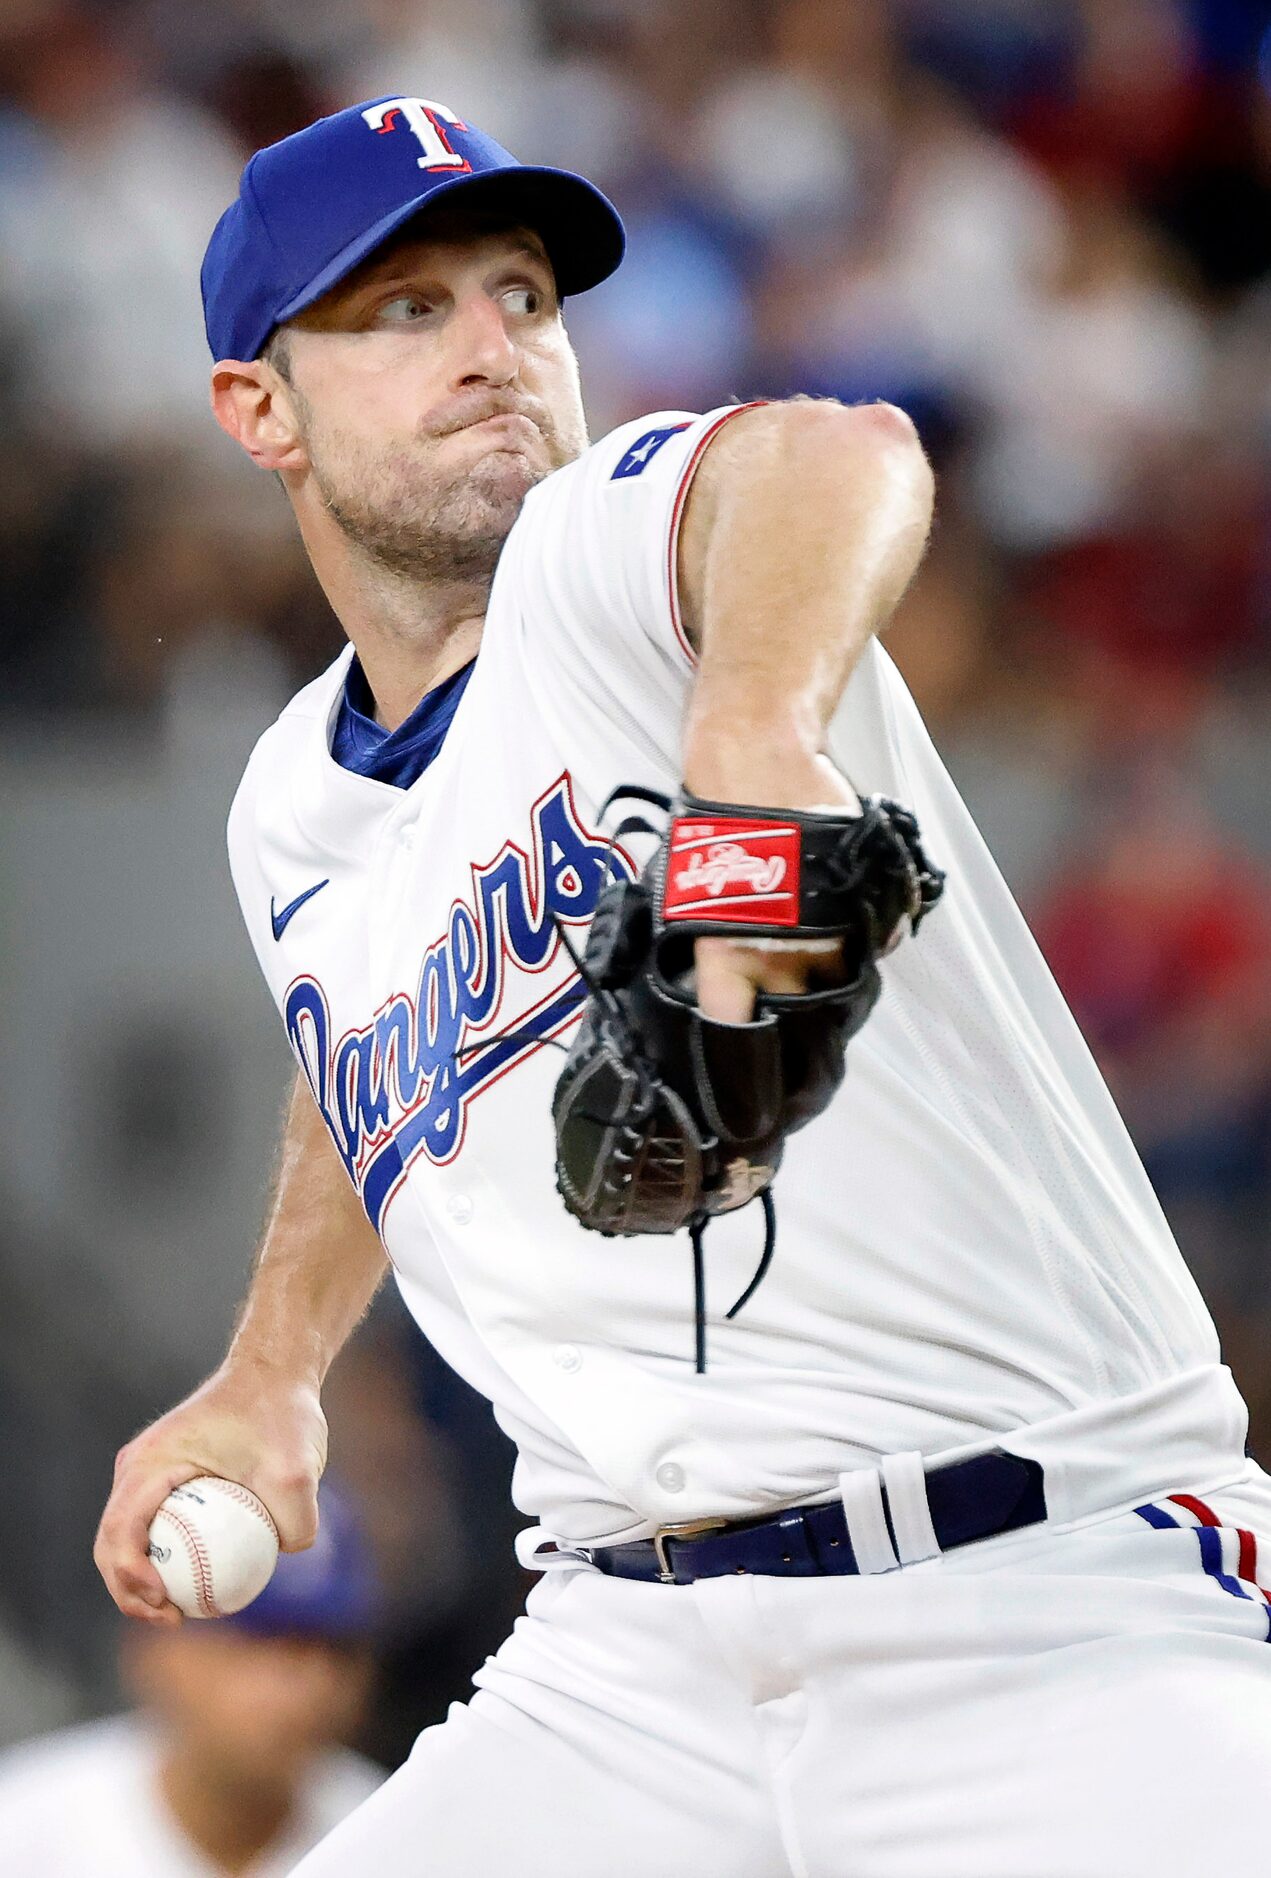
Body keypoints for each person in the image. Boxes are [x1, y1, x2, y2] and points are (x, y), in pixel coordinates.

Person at [95, 96, 1271, 1876]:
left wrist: (752, 728)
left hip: (1038, 1600)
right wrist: (273, 1366)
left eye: (522, 296)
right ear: (257, 405)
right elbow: (374, 1052)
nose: (496, 349)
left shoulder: (603, 563)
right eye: (408, 311)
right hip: (627, 1664)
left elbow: (830, 455)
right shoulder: (291, 803)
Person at [7, 1486, 381, 1875]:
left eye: (334, 1651)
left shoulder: (401, 1834)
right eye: (257, 1642)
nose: (308, 1685)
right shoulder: (21, 1830)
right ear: (152, 1647)